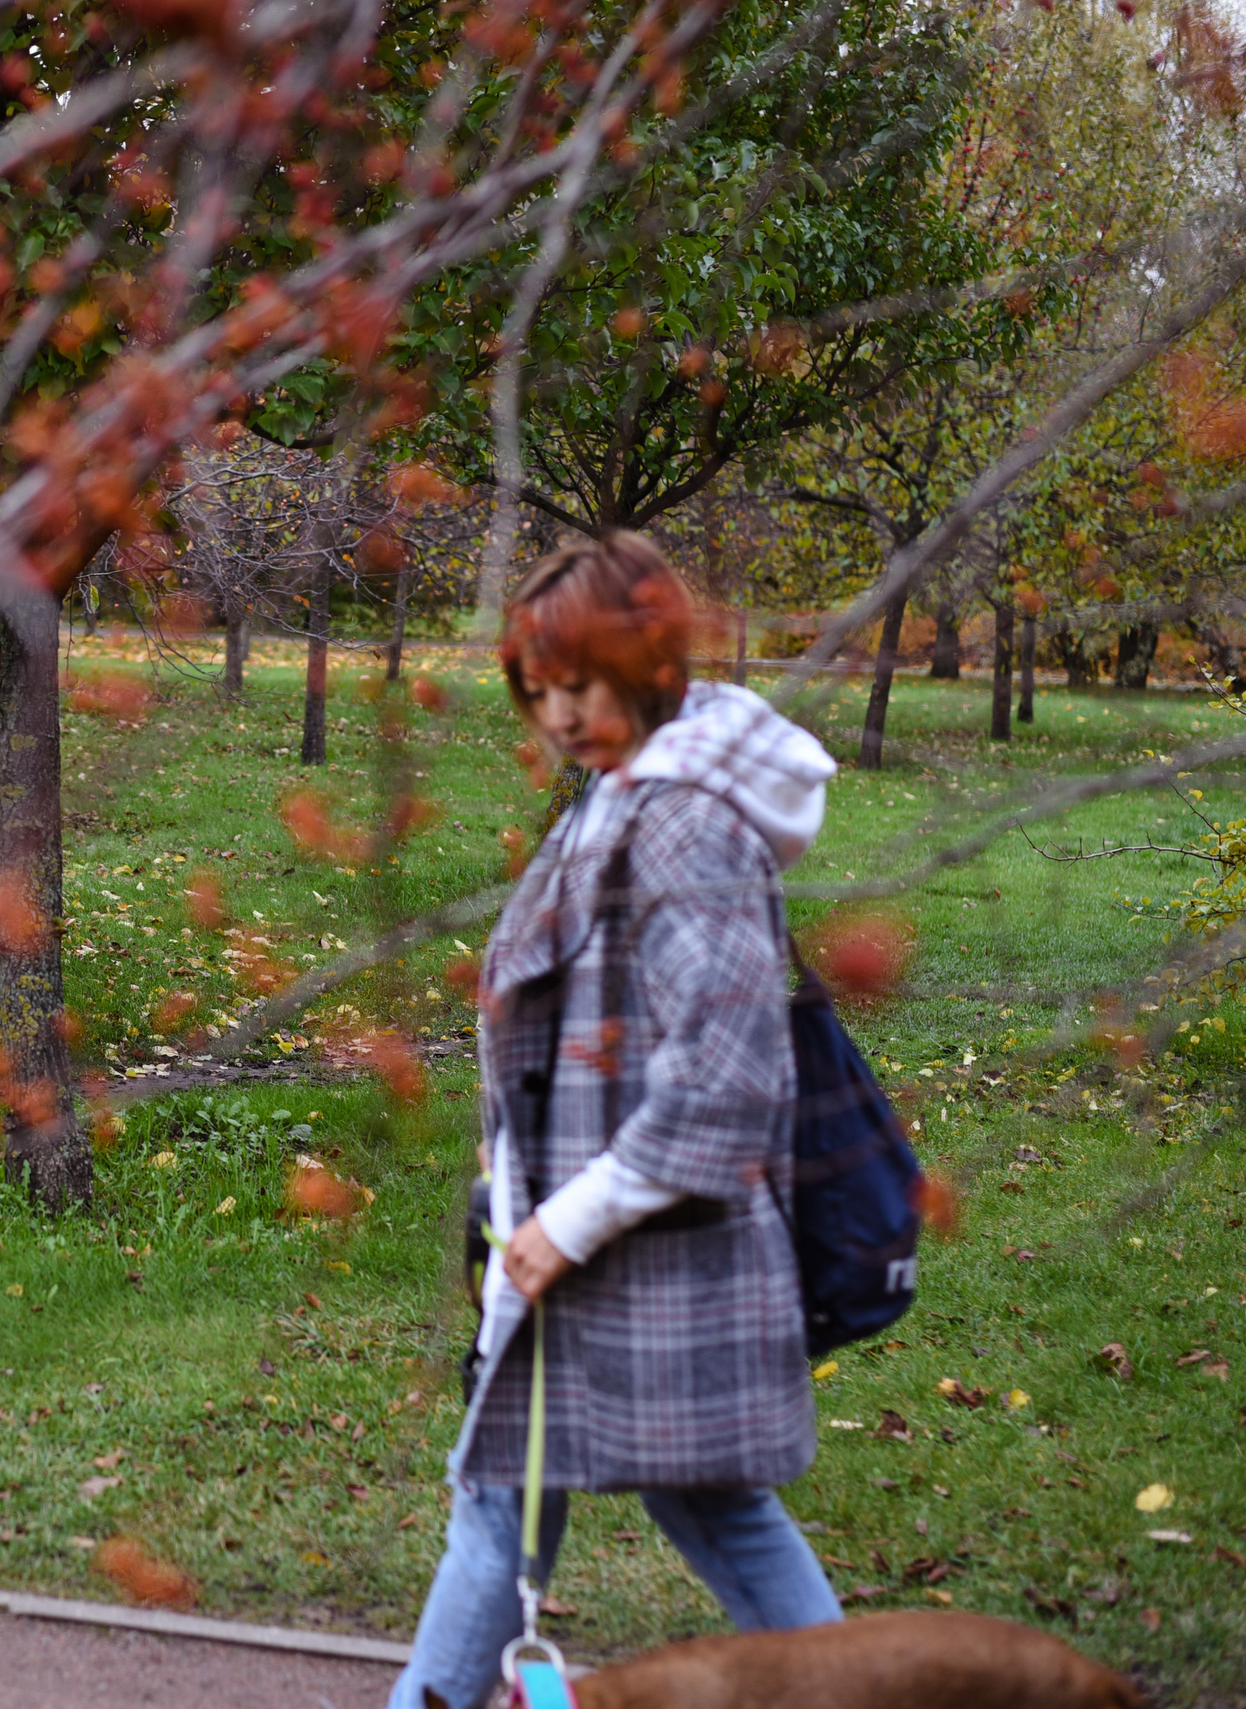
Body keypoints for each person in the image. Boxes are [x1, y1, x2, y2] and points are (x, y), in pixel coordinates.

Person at [390, 532, 844, 1709]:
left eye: (581, 684)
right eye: (539, 691)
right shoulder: (628, 793)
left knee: (581, 1508)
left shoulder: (686, 823)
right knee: (541, 1507)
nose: (559, 715)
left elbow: (728, 1073)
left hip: (640, 1255)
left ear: (649, 662)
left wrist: (569, 1220)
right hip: (592, 1258)